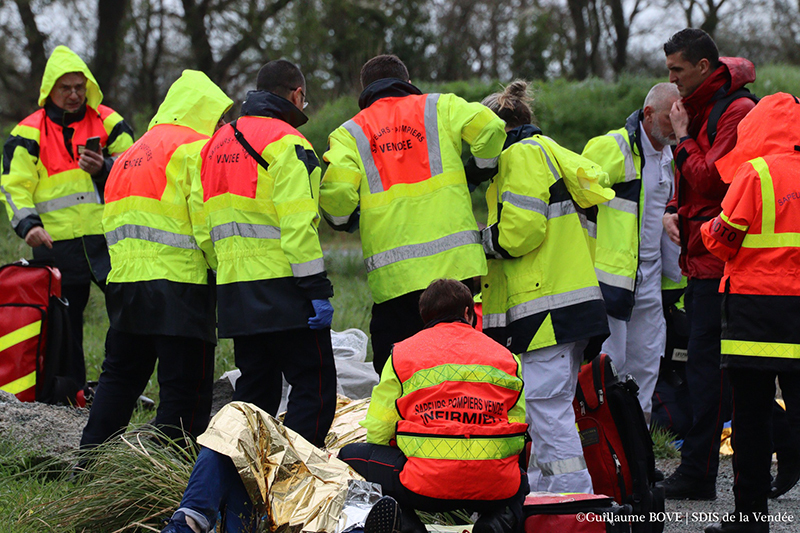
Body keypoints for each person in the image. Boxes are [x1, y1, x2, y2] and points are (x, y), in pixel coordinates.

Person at [319, 54, 506, 374]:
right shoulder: (441, 106)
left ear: (365, 92)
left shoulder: (350, 133)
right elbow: (491, 127)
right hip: (454, 273)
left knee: (401, 373)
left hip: (396, 282)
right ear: (406, 82)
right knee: (459, 366)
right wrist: (477, 171)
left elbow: (336, 196)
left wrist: (344, 220)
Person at [79, 70, 233, 450]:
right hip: (182, 287)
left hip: (127, 286)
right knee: (185, 394)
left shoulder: (131, 152)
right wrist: (224, 271)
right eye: (220, 117)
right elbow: (204, 220)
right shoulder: (197, 149)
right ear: (206, 111)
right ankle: (171, 481)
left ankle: (87, 465)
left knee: (118, 380)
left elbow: (110, 220)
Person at [191, 59, 336, 447]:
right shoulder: (289, 142)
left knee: (255, 397)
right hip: (286, 288)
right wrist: (315, 287)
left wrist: (226, 271)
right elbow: (298, 222)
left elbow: (201, 222)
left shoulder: (214, 144)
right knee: (315, 387)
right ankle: (297, 481)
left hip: (236, 291)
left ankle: (240, 480)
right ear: (297, 95)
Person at [479, 80, 613, 493]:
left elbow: (520, 232)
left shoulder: (520, 155)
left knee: (547, 411)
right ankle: (544, 503)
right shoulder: (549, 152)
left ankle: (576, 507)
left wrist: (477, 240)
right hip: (565, 308)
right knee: (545, 413)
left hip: (543, 310)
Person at [339, 279, 529, 533]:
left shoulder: (402, 354)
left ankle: (407, 527)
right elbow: (518, 429)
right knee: (520, 479)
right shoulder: (508, 358)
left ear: (424, 316)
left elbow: (379, 430)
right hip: (494, 487)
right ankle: (495, 523)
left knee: (349, 456)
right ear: (467, 312)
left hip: (423, 486)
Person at [658, 28, 757, 500]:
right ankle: (699, 471)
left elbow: (713, 180)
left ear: (703, 66)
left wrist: (680, 137)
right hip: (700, 259)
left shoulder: (735, 111)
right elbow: (690, 186)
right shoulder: (700, 109)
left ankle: (699, 473)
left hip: (721, 267)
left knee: (710, 374)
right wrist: (674, 212)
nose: (671, 79)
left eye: (678, 69)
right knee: (706, 371)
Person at [0, 45, 134, 395]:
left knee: (129, 313)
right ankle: (70, 391)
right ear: (50, 90)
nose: (75, 94)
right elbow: (14, 187)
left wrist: (104, 168)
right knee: (63, 325)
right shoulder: (28, 132)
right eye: (66, 88)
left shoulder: (109, 121)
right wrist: (29, 226)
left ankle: (120, 386)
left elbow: (137, 170)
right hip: (55, 242)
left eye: (79, 87)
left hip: (109, 239)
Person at [699, 92, 800, 533]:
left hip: (755, 310)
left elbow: (723, 237)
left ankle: (750, 518)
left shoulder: (754, 172)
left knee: (751, 417)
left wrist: (703, 227)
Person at [581, 82, 682, 423]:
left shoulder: (675, 154)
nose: (678, 125)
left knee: (648, 356)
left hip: (653, 275)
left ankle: (639, 442)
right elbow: (577, 202)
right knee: (612, 358)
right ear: (649, 114)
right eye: (671, 117)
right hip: (612, 276)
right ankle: (606, 438)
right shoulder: (613, 147)